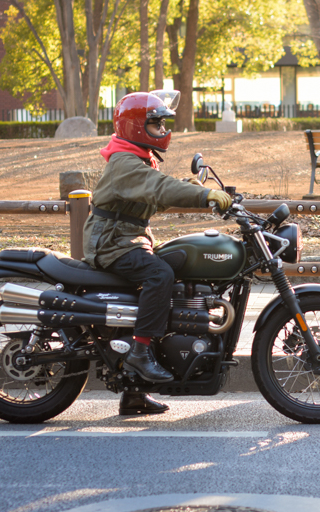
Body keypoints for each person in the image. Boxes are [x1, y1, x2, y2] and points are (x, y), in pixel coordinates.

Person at [83, 90, 233, 416]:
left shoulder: (135, 158)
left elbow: (160, 191)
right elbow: (159, 188)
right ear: (137, 126)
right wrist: (205, 194)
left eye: (163, 123)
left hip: (127, 240)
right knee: (159, 273)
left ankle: (134, 393)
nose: (162, 130)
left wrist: (201, 192)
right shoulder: (125, 163)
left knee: (171, 268)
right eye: (155, 124)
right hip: (112, 244)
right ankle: (140, 353)